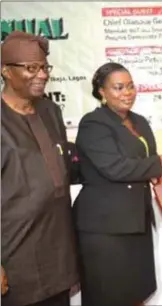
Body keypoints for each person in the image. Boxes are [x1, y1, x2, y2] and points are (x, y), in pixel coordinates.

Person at [72, 62, 162, 306]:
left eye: (130, 86)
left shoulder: (139, 121)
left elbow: (145, 163)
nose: (127, 93)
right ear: (102, 91)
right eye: (118, 87)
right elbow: (115, 167)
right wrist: (159, 164)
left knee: (136, 292)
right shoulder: (93, 124)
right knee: (109, 295)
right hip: (105, 227)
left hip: (135, 221)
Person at [1, 31, 80, 306]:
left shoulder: (50, 111)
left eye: (45, 67)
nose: (43, 75)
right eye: (31, 68)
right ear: (6, 72)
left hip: (58, 250)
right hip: (16, 256)